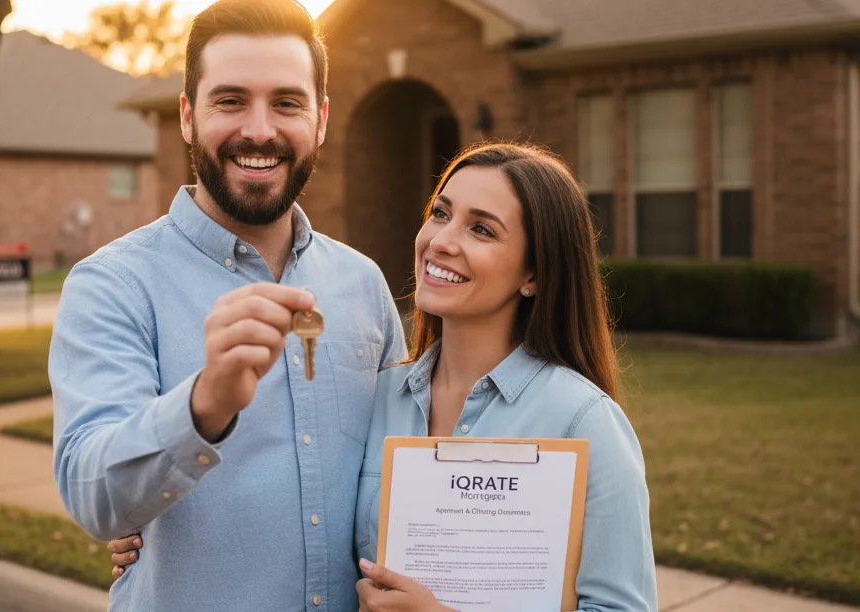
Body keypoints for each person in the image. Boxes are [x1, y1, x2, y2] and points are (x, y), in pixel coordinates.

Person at [109, 143, 658, 612]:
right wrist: (149, 529)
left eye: (482, 230)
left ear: (534, 274)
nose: (442, 240)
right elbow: (303, 497)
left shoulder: (585, 422)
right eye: (440, 213)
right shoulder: (380, 399)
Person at [49, 0, 405, 610]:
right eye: (231, 100)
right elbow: (94, 497)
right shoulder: (112, 284)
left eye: (287, 103)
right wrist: (203, 404)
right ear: (188, 116)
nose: (261, 130)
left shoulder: (363, 283)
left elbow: (405, 464)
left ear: (320, 120)